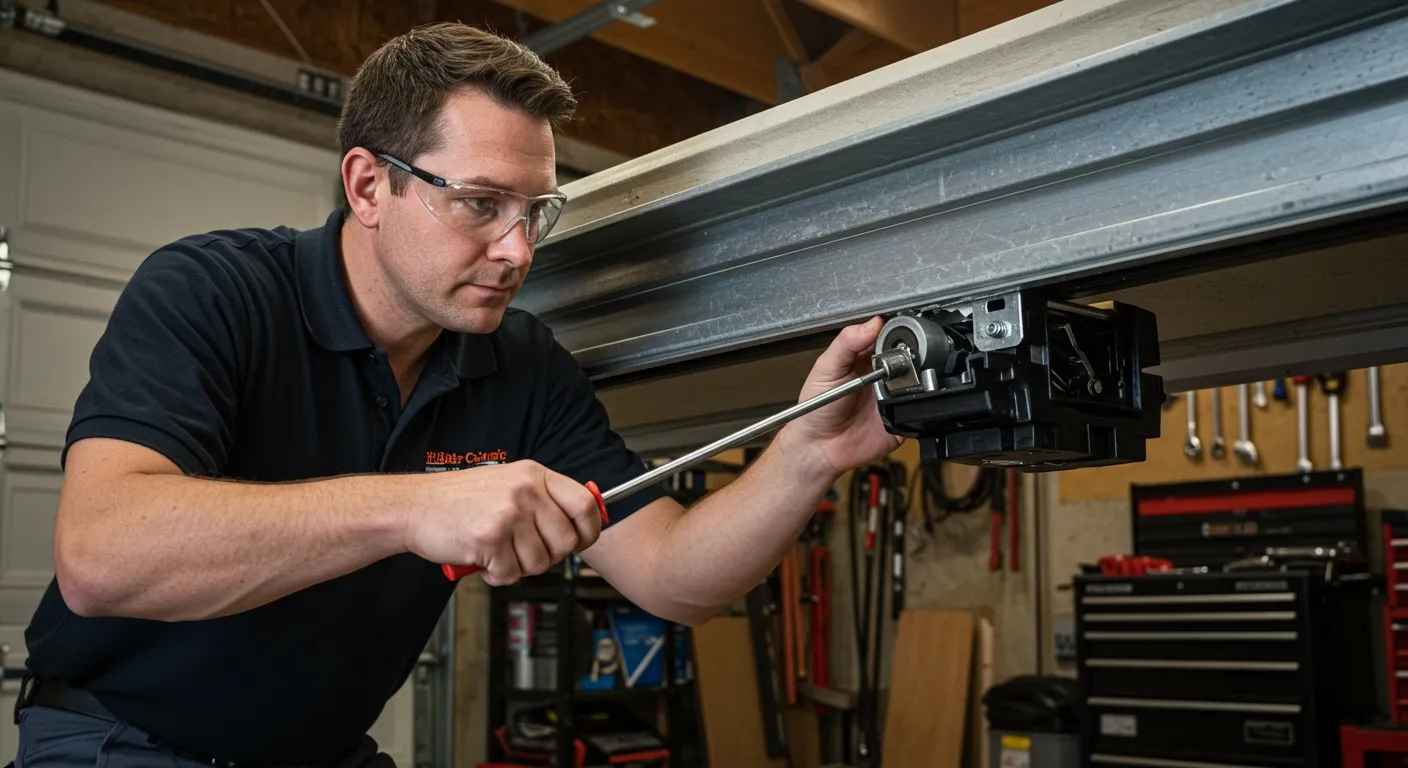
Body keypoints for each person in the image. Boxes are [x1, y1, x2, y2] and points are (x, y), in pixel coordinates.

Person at [9, 20, 902, 768]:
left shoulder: (520, 363)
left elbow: (673, 577)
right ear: (368, 185)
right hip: (117, 740)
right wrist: (414, 509)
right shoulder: (214, 292)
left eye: (537, 211)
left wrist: (809, 454)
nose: (518, 251)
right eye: (479, 202)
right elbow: (101, 556)